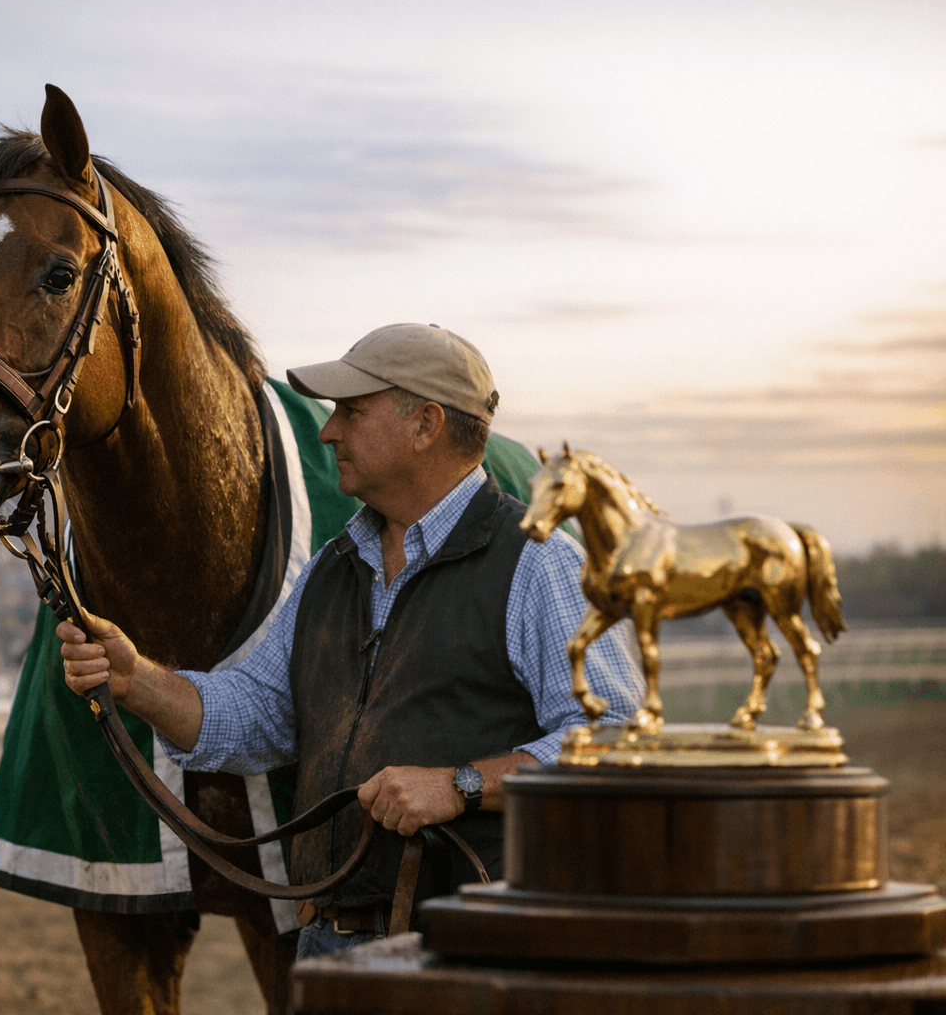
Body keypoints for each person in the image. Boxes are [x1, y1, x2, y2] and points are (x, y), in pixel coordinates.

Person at [58, 323, 644, 959]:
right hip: (330, 945)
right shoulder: (332, 568)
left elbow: (616, 739)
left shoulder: (540, 563)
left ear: (426, 425)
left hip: (475, 950)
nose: (329, 430)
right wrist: (136, 679)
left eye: (352, 411)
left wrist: (461, 784)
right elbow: (254, 715)